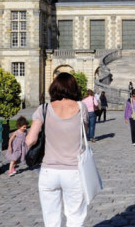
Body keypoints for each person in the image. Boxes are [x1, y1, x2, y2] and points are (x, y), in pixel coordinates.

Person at [26, 72, 89, 226]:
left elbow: (30, 140)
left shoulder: (44, 109)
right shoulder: (82, 107)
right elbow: (84, 135)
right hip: (74, 170)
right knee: (75, 217)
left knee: (51, 219)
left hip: (49, 171)